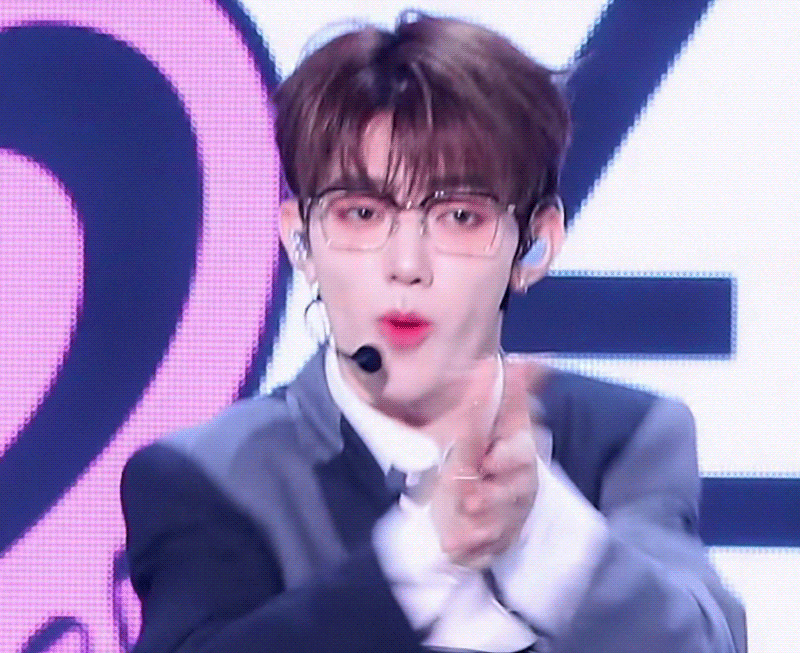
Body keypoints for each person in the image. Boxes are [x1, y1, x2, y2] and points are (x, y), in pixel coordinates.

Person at [121, 12, 746, 653]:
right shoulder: (207, 476)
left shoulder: (623, 438)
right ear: (300, 240)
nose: (407, 264)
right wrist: (419, 561)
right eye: (362, 213)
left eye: (459, 217)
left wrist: (542, 532)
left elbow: (708, 642)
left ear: (535, 244)